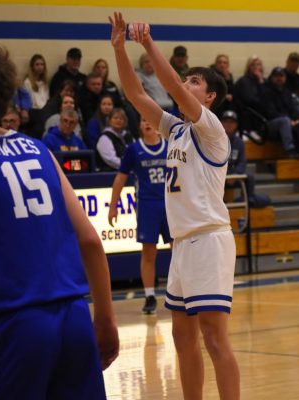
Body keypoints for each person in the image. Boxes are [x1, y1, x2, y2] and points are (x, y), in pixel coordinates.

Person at [0, 41, 118, 398]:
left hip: (16, 323)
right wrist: (104, 318)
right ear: (8, 98)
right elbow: (89, 240)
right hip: (74, 316)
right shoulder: (39, 149)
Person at [109, 12, 240, 399]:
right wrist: (119, 48)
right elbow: (136, 96)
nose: (186, 85)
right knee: (182, 340)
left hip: (209, 240)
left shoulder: (211, 129)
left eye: (194, 82)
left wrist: (148, 44)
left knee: (215, 340)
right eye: (187, 80)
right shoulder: (175, 129)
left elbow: (170, 88)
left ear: (210, 97)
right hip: (183, 244)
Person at [108, 117, 171, 314]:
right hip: (147, 206)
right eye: (142, 120)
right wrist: (113, 205)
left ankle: (181, 291)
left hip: (171, 206)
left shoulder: (170, 147)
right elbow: (120, 178)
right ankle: (150, 295)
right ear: (139, 126)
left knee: (179, 251)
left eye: (148, 119)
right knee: (149, 252)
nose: (147, 122)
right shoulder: (134, 149)